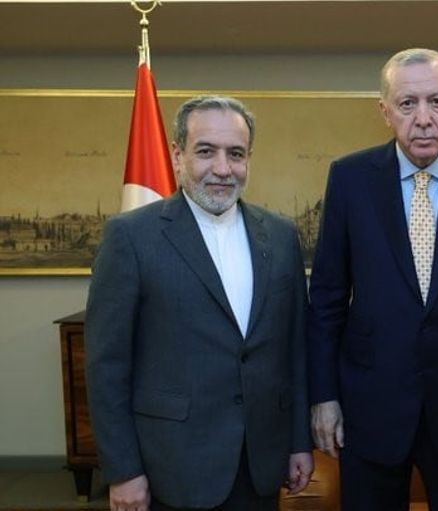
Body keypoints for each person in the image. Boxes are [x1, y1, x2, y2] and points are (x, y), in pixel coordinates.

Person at [308, 48, 438, 510]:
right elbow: (326, 299)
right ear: (385, 112)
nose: (423, 118)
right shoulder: (349, 178)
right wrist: (324, 396)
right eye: (407, 104)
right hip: (371, 407)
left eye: (436, 102)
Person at [86, 95, 313, 511]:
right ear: (178, 155)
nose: (223, 169)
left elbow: (294, 350)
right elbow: (107, 367)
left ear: (249, 159)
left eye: (236, 154)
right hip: (172, 468)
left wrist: (300, 441)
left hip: (261, 463)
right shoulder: (131, 237)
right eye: (206, 151)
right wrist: (123, 470)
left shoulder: (281, 237)